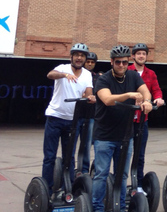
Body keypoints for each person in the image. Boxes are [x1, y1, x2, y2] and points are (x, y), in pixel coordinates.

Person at [92, 45, 152, 212]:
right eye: (118, 62)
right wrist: (129, 95)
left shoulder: (133, 76)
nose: (121, 66)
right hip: (104, 136)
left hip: (126, 135)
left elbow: (146, 92)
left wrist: (147, 101)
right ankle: (97, 207)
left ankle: (119, 206)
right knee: (101, 174)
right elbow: (107, 100)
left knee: (123, 174)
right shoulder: (103, 79)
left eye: (125, 62)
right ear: (111, 62)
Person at [42, 43, 95, 195]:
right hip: (55, 117)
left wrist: (90, 97)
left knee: (69, 157)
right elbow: (50, 75)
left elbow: (88, 92)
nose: (79, 58)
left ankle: (68, 190)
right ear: (71, 56)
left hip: (73, 121)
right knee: (50, 156)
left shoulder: (87, 74)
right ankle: (47, 189)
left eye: (82, 55)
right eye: (77, 55)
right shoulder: (63, 68)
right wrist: (64, 75)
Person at [128, 43, 165, 194]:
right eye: (138, 54)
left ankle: (138, 184)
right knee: (123, 153)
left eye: (144, 54)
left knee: (140, 154)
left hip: (143, 119)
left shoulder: (151, 73)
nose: (141, 56)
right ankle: (121, 181)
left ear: (146, 56)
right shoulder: (127, 70)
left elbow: (156, 90)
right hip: (127, 120)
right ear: (133, 56)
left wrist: (158, 99)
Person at [75, 51, 100, 174]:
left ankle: (84, 170)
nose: (89, 64)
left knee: (87, 144)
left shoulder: (98, 78)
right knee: (72, 143)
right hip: (76, 114)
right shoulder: (78, 76)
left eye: (92, 62)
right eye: (88, 62)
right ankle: (72, 168)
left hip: (90, 116)